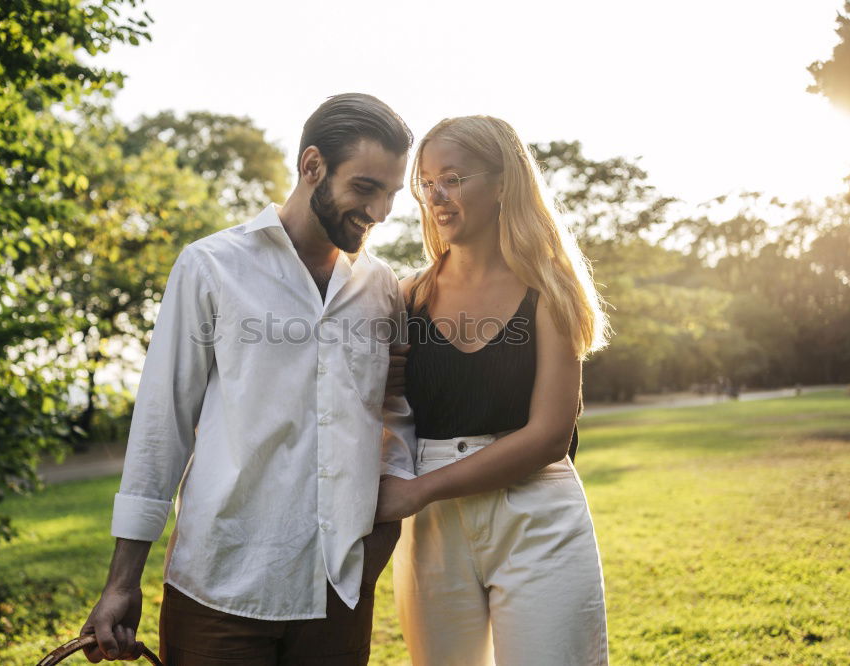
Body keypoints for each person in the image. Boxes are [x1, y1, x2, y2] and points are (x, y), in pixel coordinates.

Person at [80, 93, 414, 665]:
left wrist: (381, 535)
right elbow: (163, 425)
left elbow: (395, 415)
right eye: (366, 188)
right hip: (221, 589)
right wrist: (121, 581)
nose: (381, 211)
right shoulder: (210, 267)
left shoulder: (380, 286)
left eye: (391, 194)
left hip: (339, 593)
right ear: (312, 166)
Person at [377, 115, 611, 665]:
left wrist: (416, 492)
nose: (437, 195)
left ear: (504, 182)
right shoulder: (406, 296)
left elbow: (551, 435)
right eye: (428, 181)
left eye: (454, 178)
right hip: (435, 531)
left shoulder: (550, 290)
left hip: (535, 514)